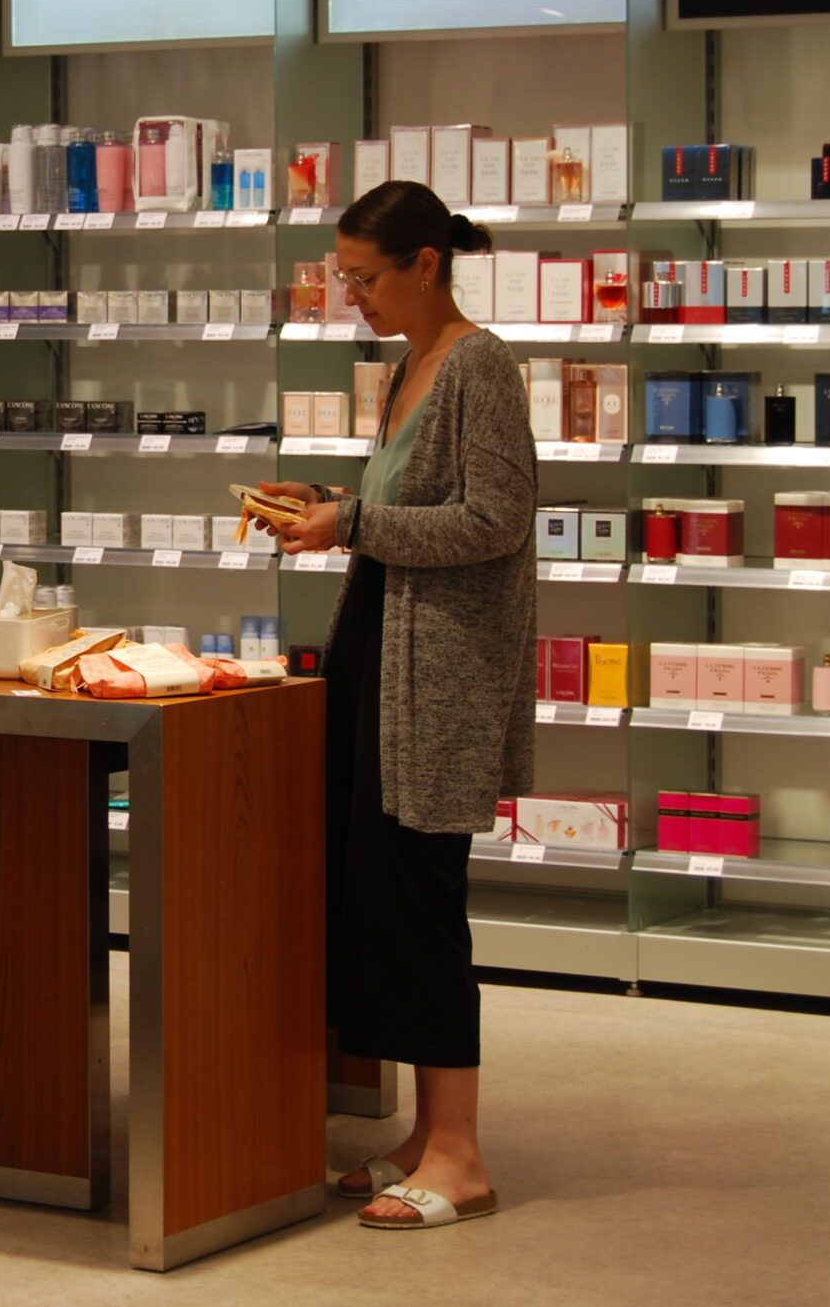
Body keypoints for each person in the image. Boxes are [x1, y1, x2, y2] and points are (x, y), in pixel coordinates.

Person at [255, 179, 536, 1232]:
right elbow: (404, 511)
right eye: (343, 278)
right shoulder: (405, 369)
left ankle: (460, 1153)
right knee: (381, 896)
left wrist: (353, 522)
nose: (351, 297)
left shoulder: (479, 362)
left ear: (425, 263)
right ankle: (422, 1134)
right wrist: (332, 510)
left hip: (441, 680)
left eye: (364, 277)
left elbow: (496, 521)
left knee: (419, 902)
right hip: (380, 653)